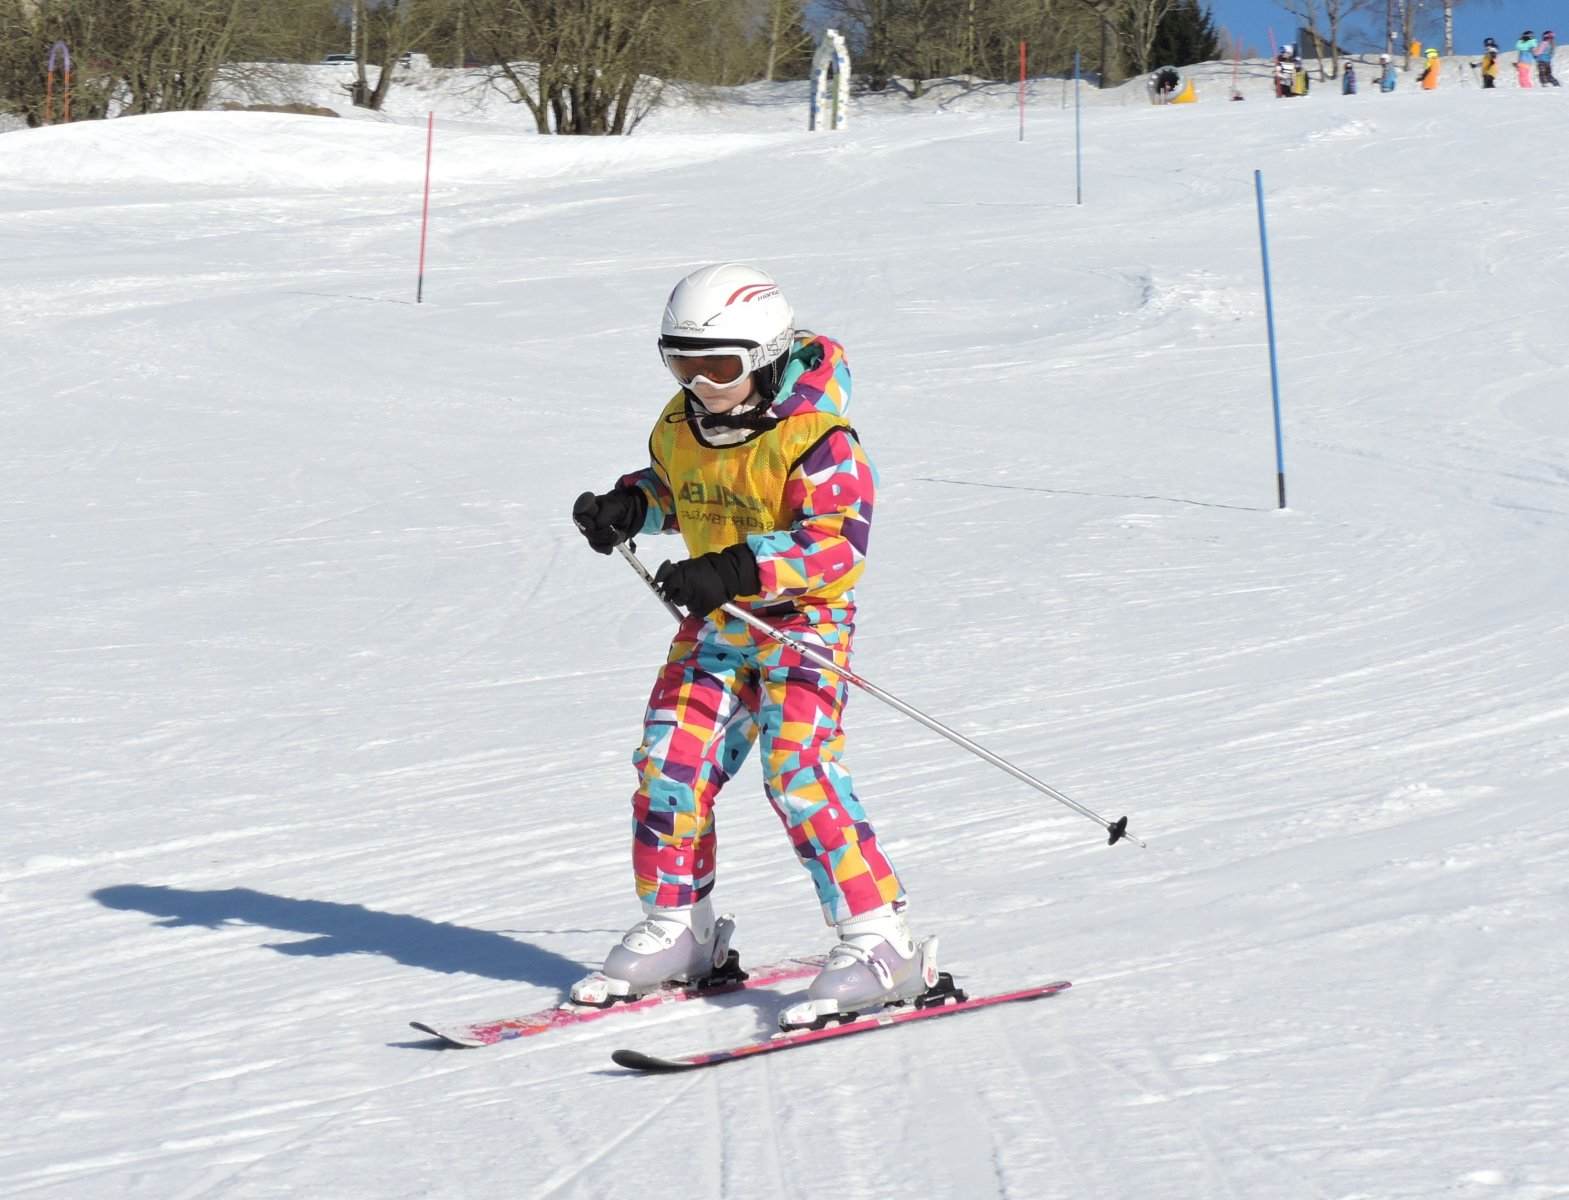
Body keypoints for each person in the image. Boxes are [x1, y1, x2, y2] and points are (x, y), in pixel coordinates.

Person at [568, 263, 928, 1029]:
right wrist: (629, 506)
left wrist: (735, 568)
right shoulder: (681, 424)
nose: (700, 385)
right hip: (718, 629)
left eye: (719, 368)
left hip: (802, 627)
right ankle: (680, 930)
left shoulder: (819, 439)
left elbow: (837, 546)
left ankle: (880, 940)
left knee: (798, 770)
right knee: (668, 762)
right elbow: (677, 489)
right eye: (681, 365)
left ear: (763, 359)